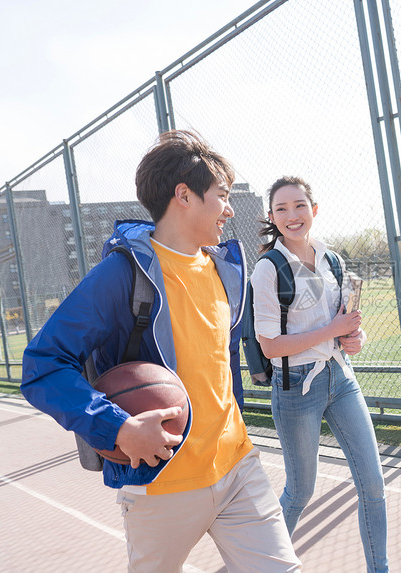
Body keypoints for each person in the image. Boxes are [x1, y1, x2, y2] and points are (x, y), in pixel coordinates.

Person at [21, 131, 301, 573]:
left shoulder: (226, 272)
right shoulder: (121, 275)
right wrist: (116, 427)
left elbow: (221, 370)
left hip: (237, 467)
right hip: (160, 484)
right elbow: (42, 365)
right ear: (184, 195)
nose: (229, 209)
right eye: (222, 196)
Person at [250, 176, 389, 573]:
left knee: (374, 486)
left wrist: (354, 336)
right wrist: (331, 331)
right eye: (281, 209)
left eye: (299, 206)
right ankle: (262, 564)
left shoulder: (332, 260)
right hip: (296, 390)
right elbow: (270, 346)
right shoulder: (268, 269)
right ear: (272, 217)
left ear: (314, 208)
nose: (292, 215)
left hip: (341, 379)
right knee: (299, 492)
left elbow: (343, 324)